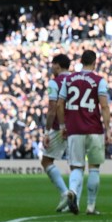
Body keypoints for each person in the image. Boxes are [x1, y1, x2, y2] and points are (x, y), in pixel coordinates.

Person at [57, 50, 110, 215]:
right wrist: (107, 129)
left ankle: (72, 191)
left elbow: (59, 105)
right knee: (94, 168)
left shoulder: (69, 79)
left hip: (74, 129)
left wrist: (62, 126)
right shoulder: (98, 81)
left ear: (81, 62)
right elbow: (104, 106)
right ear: (95, 62)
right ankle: (91, 206)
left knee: (77, 167)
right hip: (94, 129)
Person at [42, 53, 72, 213]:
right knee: (77, 165)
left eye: (52, 64)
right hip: (78, 125)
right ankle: (75, 199)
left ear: (57, 65)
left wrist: (46, 131)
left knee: (46, 161)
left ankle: (65, 193)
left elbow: (53, 108)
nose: (51, 68)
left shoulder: (55, 82)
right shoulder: (77, 80)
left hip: (60, 127)